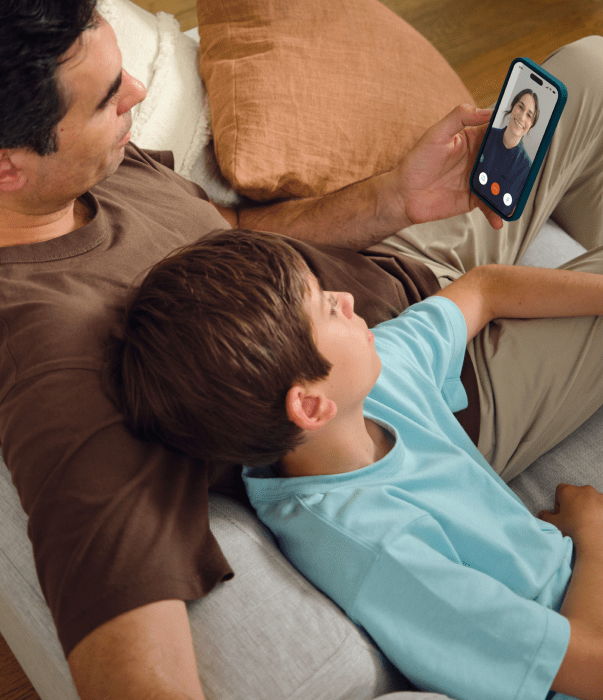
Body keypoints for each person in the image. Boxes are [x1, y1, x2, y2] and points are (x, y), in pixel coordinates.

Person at [0, 0, 602, 700]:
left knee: (588, 70)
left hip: (390, 298)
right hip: (424, 392)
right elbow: (131, 675)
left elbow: (228, 240)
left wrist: (397, 198)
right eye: (107, 99)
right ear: (1, 167)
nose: (138, 91)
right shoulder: (52, 357)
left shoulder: (63, 172)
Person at [108, 226, 603, 700]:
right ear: (309, 406)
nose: (346, 299)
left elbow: (485, 287)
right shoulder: (376, 550)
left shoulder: (373, 382)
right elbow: (590, 667)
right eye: (327, 308)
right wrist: (593, 537)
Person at [476, 88, 538, 214]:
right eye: (520, 107)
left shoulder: (526, 167)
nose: (522, 117)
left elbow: (508, 209)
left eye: (529, 115)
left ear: (531, 124)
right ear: (512, 106)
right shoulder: (486, 135)